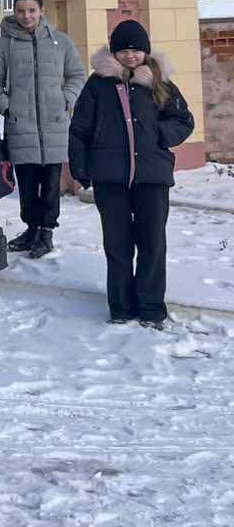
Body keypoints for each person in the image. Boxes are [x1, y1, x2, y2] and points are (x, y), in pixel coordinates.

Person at [68, 20, 195, 328]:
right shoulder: (98, 84)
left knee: (152, 243)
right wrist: (81, 169)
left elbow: (183, 120)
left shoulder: (158, 81)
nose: (130, 56)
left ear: (145, 51)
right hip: (111, 178)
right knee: (118, 245)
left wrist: (159, 135)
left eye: (136, 50)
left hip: (152, 176)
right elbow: (80, 128)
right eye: (123, 50)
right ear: (114, 52)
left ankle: (151, 307)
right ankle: (122, 307)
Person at [0, 0, 84, 260]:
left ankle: (46, 232)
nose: (26, 16)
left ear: (42, 11)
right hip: (21, 124)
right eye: (20, 11)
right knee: (27, 185)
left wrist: (66, 99)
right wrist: (6, 105)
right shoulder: (5, 44)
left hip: (54, 125)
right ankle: (31, 229)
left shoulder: (61, 42)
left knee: (51, 184)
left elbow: (76, 75)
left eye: (31, 10)